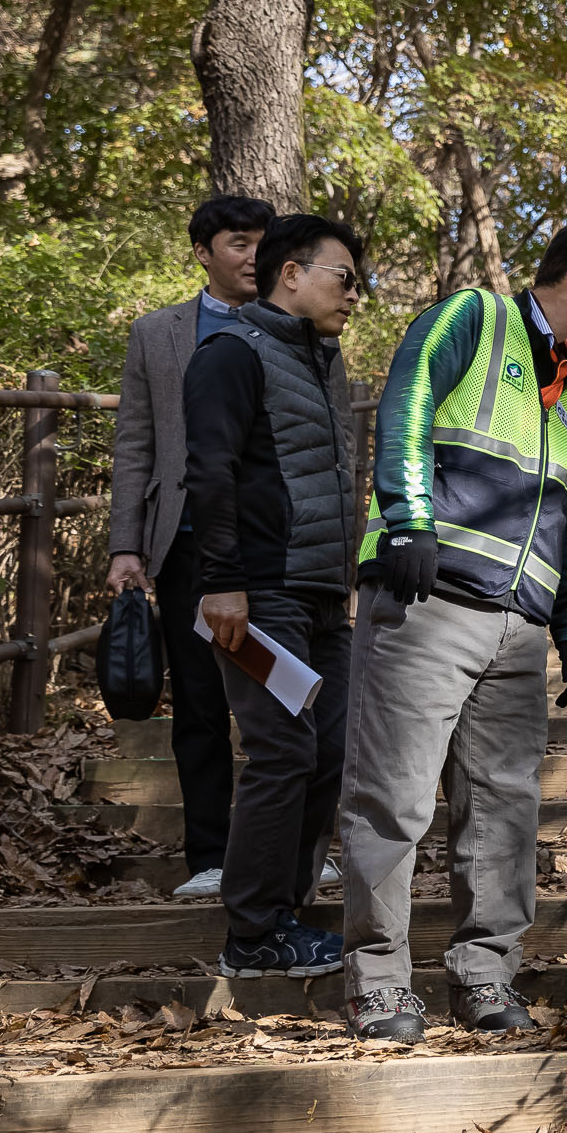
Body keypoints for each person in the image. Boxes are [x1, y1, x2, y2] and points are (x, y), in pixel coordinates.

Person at [336, 226, 567, 1042]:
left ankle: (484, 974)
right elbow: (404, 401)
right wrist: (406, 522)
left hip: (519, 628)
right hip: (425, 599)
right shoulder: (474, 317)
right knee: (394, 797)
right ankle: (378, 983)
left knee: (505, 809)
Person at [107, 195, 318, 901]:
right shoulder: (157, 333)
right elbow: (136, 442)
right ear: (202, 251)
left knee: (288, 696)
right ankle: (208, 855)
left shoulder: (302, 327)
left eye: (262, 244)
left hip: (276, 550)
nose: (251, 256)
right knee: (199, 701)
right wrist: (126, 545)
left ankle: (296, 852)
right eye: (237, 243)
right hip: (189, 546)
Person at [183, 214, 364, 976]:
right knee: (283, 748)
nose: (356, 294)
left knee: (328, 751)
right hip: (260, 592)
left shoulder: (324, 360)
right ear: (291, 273)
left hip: (322, 591)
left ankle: (284, 915)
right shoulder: (231, 354)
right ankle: (252, 933)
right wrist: (222, 583)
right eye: (344, 278)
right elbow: (211, 472)